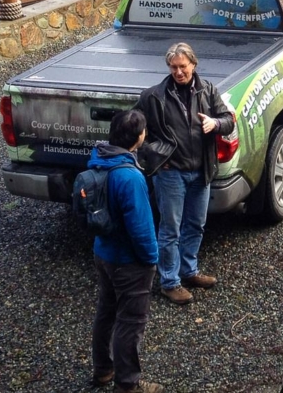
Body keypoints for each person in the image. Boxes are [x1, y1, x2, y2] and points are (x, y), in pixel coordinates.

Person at [134, 42, 235, 305]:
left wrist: (215, 123)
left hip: (200, 172)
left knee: (196, 225)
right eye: (173, 67)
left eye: (183, 66)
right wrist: (155, 155)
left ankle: (188, 272)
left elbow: (229, 121)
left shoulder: (208, 90)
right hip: (171, 174)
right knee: (170, 230)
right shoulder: (154, 96)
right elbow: (132, 128)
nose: (179, 72)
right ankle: (170, 282)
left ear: (194, 64)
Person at [90, 109, 163, 393]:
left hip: (102, 252)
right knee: (130, 322)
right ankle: (128, 383)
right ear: (139, 137)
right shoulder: (130, 178)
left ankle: (103, 370)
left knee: (106, 312)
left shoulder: (99, 160)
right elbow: (141, 228)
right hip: (128, 261)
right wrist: (151, 260)